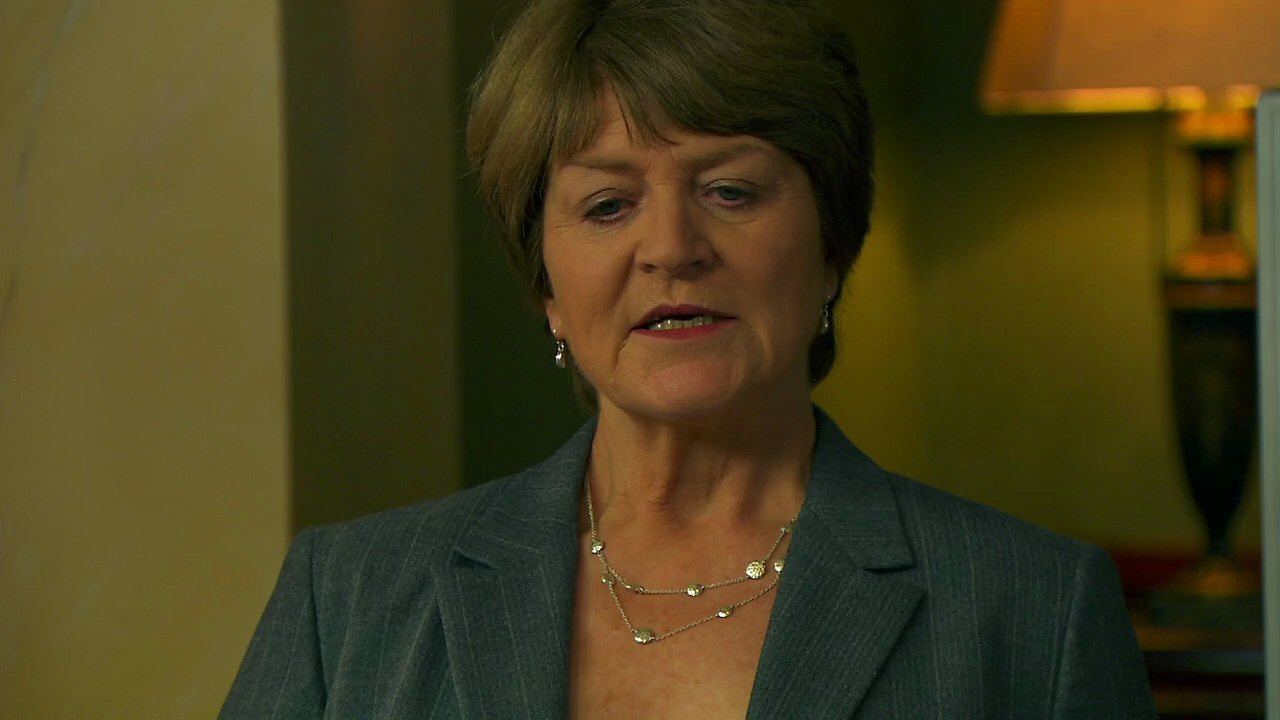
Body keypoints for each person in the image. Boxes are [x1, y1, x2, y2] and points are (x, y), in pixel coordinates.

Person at [222, 0, 1157, 717]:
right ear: (546, 285)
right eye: (607, 206)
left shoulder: (1034, 611)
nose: (672, 247)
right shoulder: (348, 599)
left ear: (832, 246)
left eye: (731, 191)